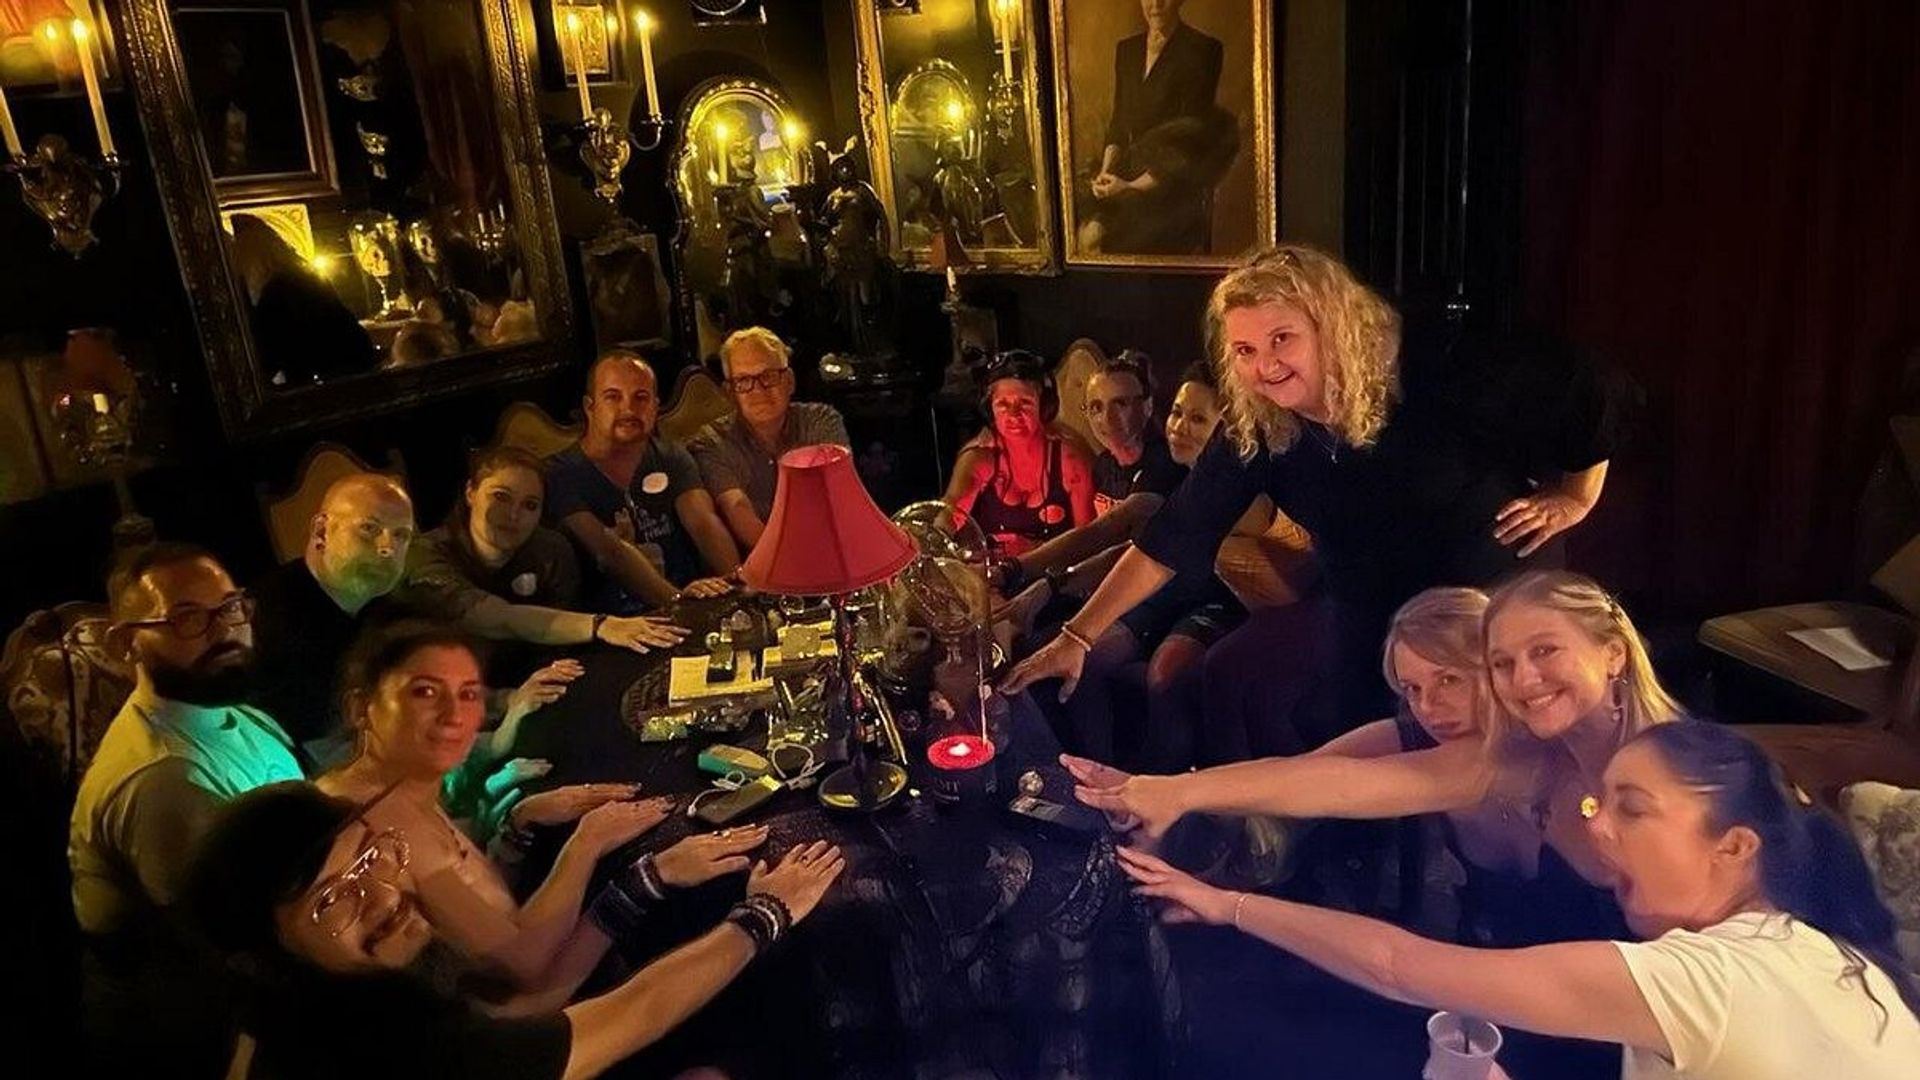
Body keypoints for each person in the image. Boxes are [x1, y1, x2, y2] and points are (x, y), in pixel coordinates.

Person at [1005, 246, 1627, 751]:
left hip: (1488, 598)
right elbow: (1174, 533)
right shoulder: (1258, 428)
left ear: (1331, 328)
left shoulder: (1434, 366)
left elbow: (1588, 389)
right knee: (1364, 756)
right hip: (1370, 611)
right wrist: (1077, 637)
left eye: (1282, 339)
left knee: (1498, 771)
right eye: (1245, 351)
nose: (1264, 367)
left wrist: (1575, 496)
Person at [1115, 719, 1920, 1080]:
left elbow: (1403, 966)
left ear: (1736, 845)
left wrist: (1225, 906)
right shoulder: (1820, 950)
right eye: (1601, 805)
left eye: (1634, 810)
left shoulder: (1707, 980)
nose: (1600, 832)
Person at [1071, 571, 1683, 950]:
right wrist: (1158, 793)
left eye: (1450, 678)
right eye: (1412, 688)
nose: (1429, 707)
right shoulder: (1501, 755)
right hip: (1503, 1002)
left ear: (1611, 654)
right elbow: (1312, 782)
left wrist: (1171, 795)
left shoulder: (1658, 770)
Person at [180, 780, 845, 1080]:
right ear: (265, 951)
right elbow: (626, 1016)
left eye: (370, 858)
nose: (381, 896)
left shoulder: (321, 1002)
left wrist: (647, 879)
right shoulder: (381, 1050)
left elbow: (523, 1006)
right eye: (330, 903)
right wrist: (768, 912)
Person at [316, 621, 778, 997]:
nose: (454, 716)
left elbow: (482, 910)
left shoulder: (400, 789)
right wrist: (600, 851)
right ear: (361, 709)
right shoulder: (366, 826)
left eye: (466, 694)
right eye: (423, 692)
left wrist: (519, 822)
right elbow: (522, 972)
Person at [70, 543, 306, 1074]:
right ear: (126, 643)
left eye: (230, 607)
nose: (224, 629)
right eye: (187, 618)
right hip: (194, 1019)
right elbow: (234, 942)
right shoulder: (163, 776)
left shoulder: (228, 708)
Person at [546, 350, 740, 612]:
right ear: (590, 407)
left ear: (655, 407)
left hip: (693, 604)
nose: (628, 409)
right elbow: (609, 552)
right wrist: (680, 604)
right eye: (613, 397)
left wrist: (737, 587)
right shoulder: (562, 472)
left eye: (641, 397)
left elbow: (704, 524)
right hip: (617, 625)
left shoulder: (671, 456)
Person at [251, 470, 415, 756]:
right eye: (369, 529)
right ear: (321, 532)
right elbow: (318, 750)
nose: (387, 548)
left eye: (400, 535)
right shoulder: (270, 624)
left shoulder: (390, 607)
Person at [993, 352, 1184, 596]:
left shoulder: (1164, 462)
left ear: (1147, 407)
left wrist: (1012, 570)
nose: (1107, 418)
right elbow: (1088, 538)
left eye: (1121, 404)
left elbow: (1105, 530)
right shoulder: (1103, 465)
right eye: (1096, 407)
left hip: (1153, 593)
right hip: (1106, 585)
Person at [1081, 0, 1237, 256]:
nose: (1155, 4)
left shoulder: (1203, 50)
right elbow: (1119, 122)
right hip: (1124, 174)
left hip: (1173, 185)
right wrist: (1106, 172)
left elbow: (1189, 137)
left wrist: (1130, 187)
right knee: (1086, 234)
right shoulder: (1127, 51)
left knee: (1118, 239)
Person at [690, 327, 851, 551]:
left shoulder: (821, 421)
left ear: (790, 381)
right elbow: (736, 507)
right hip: (761, 565)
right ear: (730, 392)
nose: (758, 390)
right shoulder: (711, 441)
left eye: (769, 376)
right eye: (744, 380)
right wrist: (786, 564)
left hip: (828, 548)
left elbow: (834, 495)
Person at [944, 350, 1097, 557]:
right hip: (993, 580)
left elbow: (1090, 541)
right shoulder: (979, 458)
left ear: (1044, 406)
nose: (1013, 415)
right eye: (1002, 404)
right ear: (990, 410)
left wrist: (1035, 551)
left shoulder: (1070, 458)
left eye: (1024, 402)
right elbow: (949, 515)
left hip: (1054, 576)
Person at [228, 214, 375, 385]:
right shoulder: (307, 276)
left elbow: (270, 357)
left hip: (334, 377)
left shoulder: (277, 292)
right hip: (353, 361)